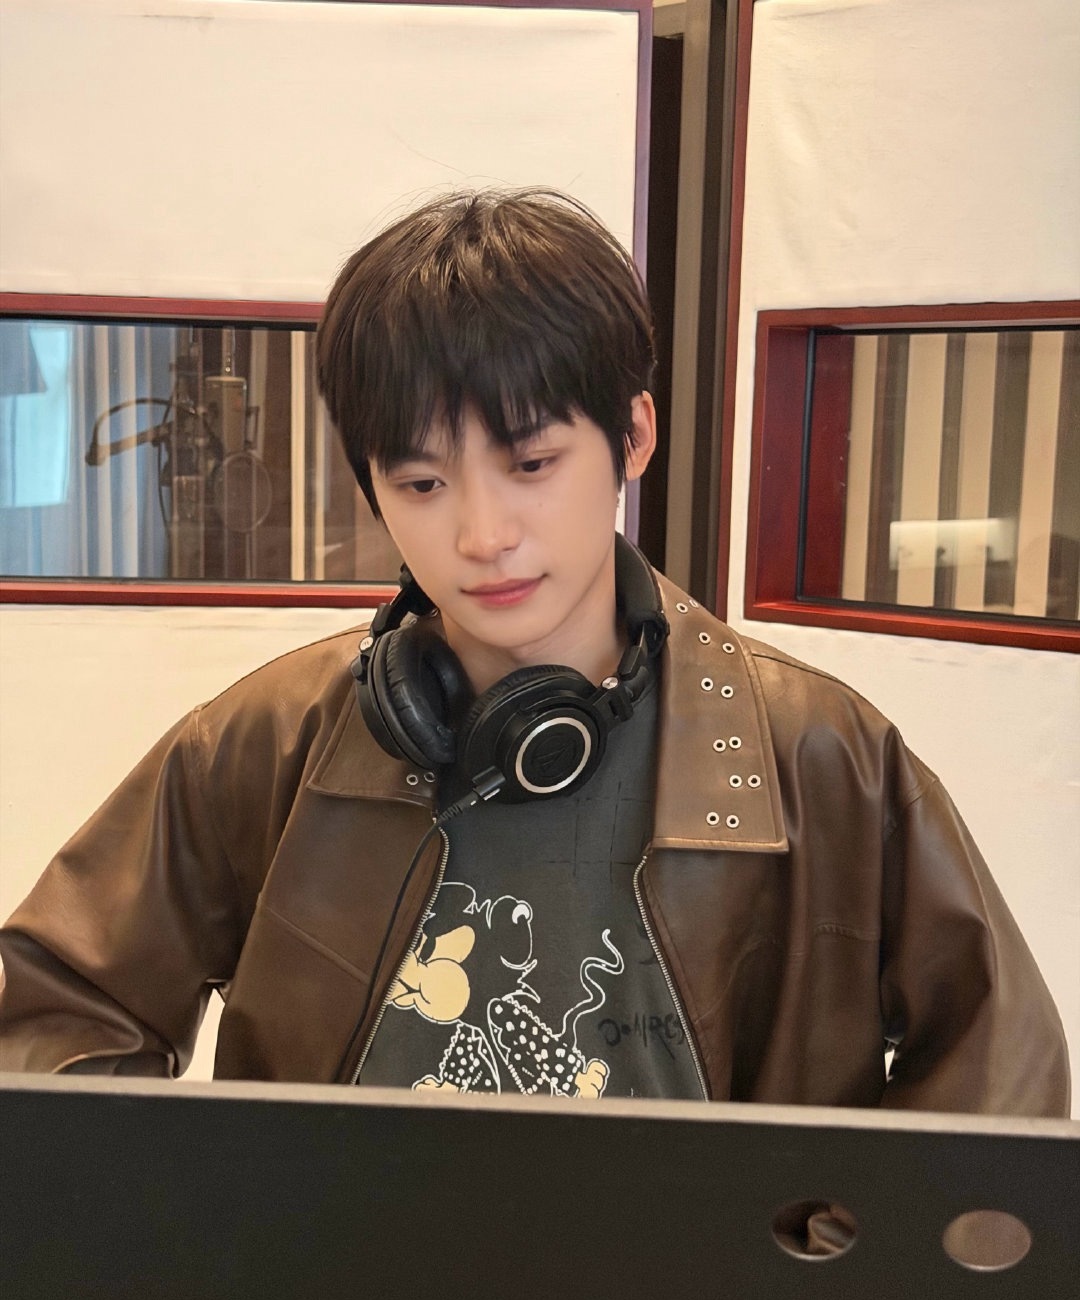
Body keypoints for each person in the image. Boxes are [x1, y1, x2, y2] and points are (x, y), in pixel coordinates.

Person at [0, 190, 1069, 1115]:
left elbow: (999, 1078)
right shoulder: (265, 741)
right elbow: (56, 1013)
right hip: (334, 1299)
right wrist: (194, 1238)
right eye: (423, 483)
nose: (483, 535)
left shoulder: (821, 756)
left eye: (531, 463)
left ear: (632, 437)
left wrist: (813, 1270)